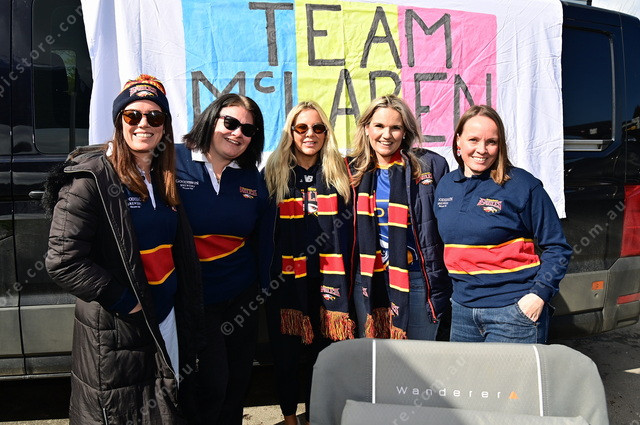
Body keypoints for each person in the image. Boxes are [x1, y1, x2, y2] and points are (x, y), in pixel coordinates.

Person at [44, 74, 203, 424]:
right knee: (124, 414)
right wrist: (124, 300)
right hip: (120, 328)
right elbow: (63, 261)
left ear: (164, 127)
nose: (143, 124)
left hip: (166, 319)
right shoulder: (90, 179)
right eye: (133, 115)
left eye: (154, 117)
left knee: (164, 408)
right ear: (119, 122)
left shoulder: (164, 178)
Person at [433, 104, 573, 343]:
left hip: (512, 313)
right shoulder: (445, 186)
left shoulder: (522, 185)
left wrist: (539, 295)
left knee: (511, 372)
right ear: (458, 141)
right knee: (465, 371)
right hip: (462, 313)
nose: (482, 150)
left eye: (491, 142)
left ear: (500, 146)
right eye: (473, 140)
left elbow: (558, 248)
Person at [175, 93, 269, 425]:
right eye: (230, 123)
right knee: (211, 383)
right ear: (211, 119)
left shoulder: (251, 176)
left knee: (237, 381)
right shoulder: (173, 160)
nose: (237, 133)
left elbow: (262, 233)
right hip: (195, 297)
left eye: (248, 129)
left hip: (241, 295)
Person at [263, 101, 354, 425]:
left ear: (326, 133)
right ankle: (290, 419)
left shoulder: (340, 172)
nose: (310, 134)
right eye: (301, 127)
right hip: (286, 284)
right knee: (286, 357)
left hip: (329, 282)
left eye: (318, 128)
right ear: (291, 132)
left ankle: (318, 417)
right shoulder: (272, 173)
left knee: (324, 360)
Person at [349, 94, 452, 340]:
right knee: (374, 358)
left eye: (395, 127)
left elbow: (448, 224)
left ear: (405, 132)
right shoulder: (350, 171)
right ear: (366, 128)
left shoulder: (430, 166)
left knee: (419, 358)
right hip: (368, 281)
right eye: (379, 126)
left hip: (417, 279)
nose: (387, 135)